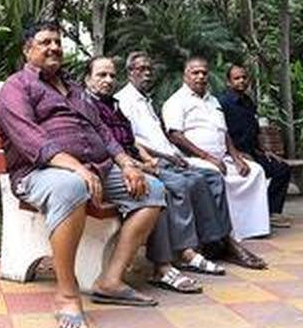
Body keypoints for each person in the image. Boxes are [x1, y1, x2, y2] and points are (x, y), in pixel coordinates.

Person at [0, 21, 166, 328]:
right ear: (27, 50)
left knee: (152, 190)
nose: (54, 47)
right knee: (72, 186)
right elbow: (31, 140)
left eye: (57, 42)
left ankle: (110, 280)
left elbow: (103, 132)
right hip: (38, 173)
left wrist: (128, 164)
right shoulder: (16, 87)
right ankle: (67, 295)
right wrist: (77, 168)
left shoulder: (75, 90)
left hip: (97, 168)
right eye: (45, 42)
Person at [115, 52, 268, 268]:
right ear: (130, 72)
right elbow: (133, 141)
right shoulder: (124, 101)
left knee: (213, 178)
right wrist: (167, 156)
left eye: (150, 69)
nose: (147, 73)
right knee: (190, 182)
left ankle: (218, 241)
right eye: (141, 69)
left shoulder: (146, 100)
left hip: (173, 157)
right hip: (156, 161)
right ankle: (208, 246)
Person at [84, 56, 213, 292]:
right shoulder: (87, 107)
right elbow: (105, 147)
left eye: (112, 75)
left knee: (183, 181)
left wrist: (147, 159)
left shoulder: (113, 105)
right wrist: (139, 166)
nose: (108, 80)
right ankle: (165, 264)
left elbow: (131, 140)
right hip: (113, 167)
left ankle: (185, 252)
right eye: (101, 75)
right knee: (158, 187)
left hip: (135, 163)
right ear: (87, 79)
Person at [161, 57, 272, 239]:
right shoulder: (176, 102)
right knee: (215, 174)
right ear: (185, 76)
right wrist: (207, 157)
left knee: (255, 171)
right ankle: (224, 235)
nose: (200, 76)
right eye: (195, 73)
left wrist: (236, 158)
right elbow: (175, 136)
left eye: (204, 73)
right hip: (194, 160)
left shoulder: (213, 101)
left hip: (223, 157)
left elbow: (224, 133)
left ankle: (250, 229)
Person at [218, 64, 294, 228]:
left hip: (253, 152)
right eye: (237, 78)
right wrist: (236, 154)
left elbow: (255, 129)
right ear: (229, 82)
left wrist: (265, 150)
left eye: (244, 77)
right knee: (255, 172)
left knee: (282, 169)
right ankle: (255, 215)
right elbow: (222, 132)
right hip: (235, 155)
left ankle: (271, 212)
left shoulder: (248, 101)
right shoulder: (223, 103)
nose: (241, 81)